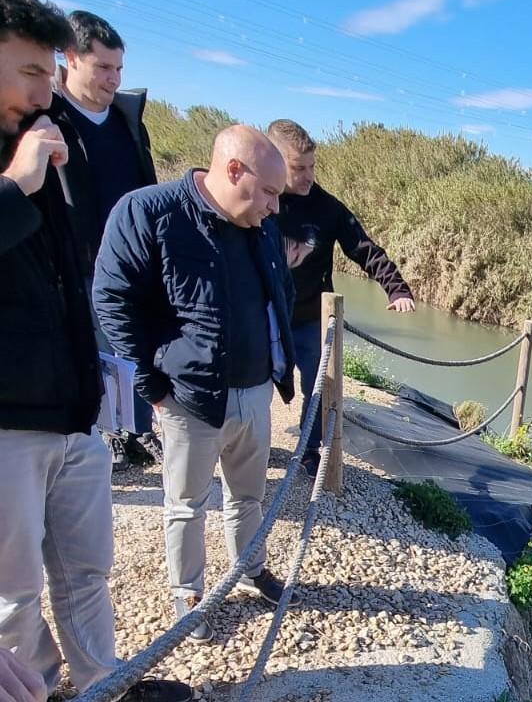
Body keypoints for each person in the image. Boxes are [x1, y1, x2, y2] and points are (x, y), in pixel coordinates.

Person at [0, 0, 190, 701]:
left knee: (87, 572)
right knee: (13, 597)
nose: (44, 92)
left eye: (49, 74)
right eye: (28, 73)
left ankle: (102, 684)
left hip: (75, 408)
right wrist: (17, 184)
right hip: (9, 423)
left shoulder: (49, 135)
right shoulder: (25, 160)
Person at [93, 124, 297, 644]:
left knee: (248, 495)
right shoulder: (149, 212)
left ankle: (251, 568)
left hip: (254, 390)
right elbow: (113, 300)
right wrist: (152, 386)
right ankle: (188, 593)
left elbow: (280, 291)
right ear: (234, 171)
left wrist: (279, 366)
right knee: (187, 502)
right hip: (187, 399)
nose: (275, 206)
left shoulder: (261, 223)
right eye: (270, 192)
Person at [266, 119, 415, 476]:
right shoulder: (258, 200)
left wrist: (396, 288)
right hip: (265, 313)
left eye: (312, 167)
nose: (308, 176)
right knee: (253, 385)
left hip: (309, 316)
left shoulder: (327, 208)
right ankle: (246, 448)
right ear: (273, 160)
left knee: (317, 387)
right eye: (298, 168)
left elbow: (364, 248)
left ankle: (308, 450)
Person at [55, 10, 160, 471]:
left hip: (132, 262)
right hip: (75, 263)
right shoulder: (48, 120)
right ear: (71, 58)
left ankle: (138, 430)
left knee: (136, 345)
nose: (113, 79)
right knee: (92, 350)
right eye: (103, 68)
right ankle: (107, 435)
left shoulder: (128, 123)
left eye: (119, 69)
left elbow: (150, 191)